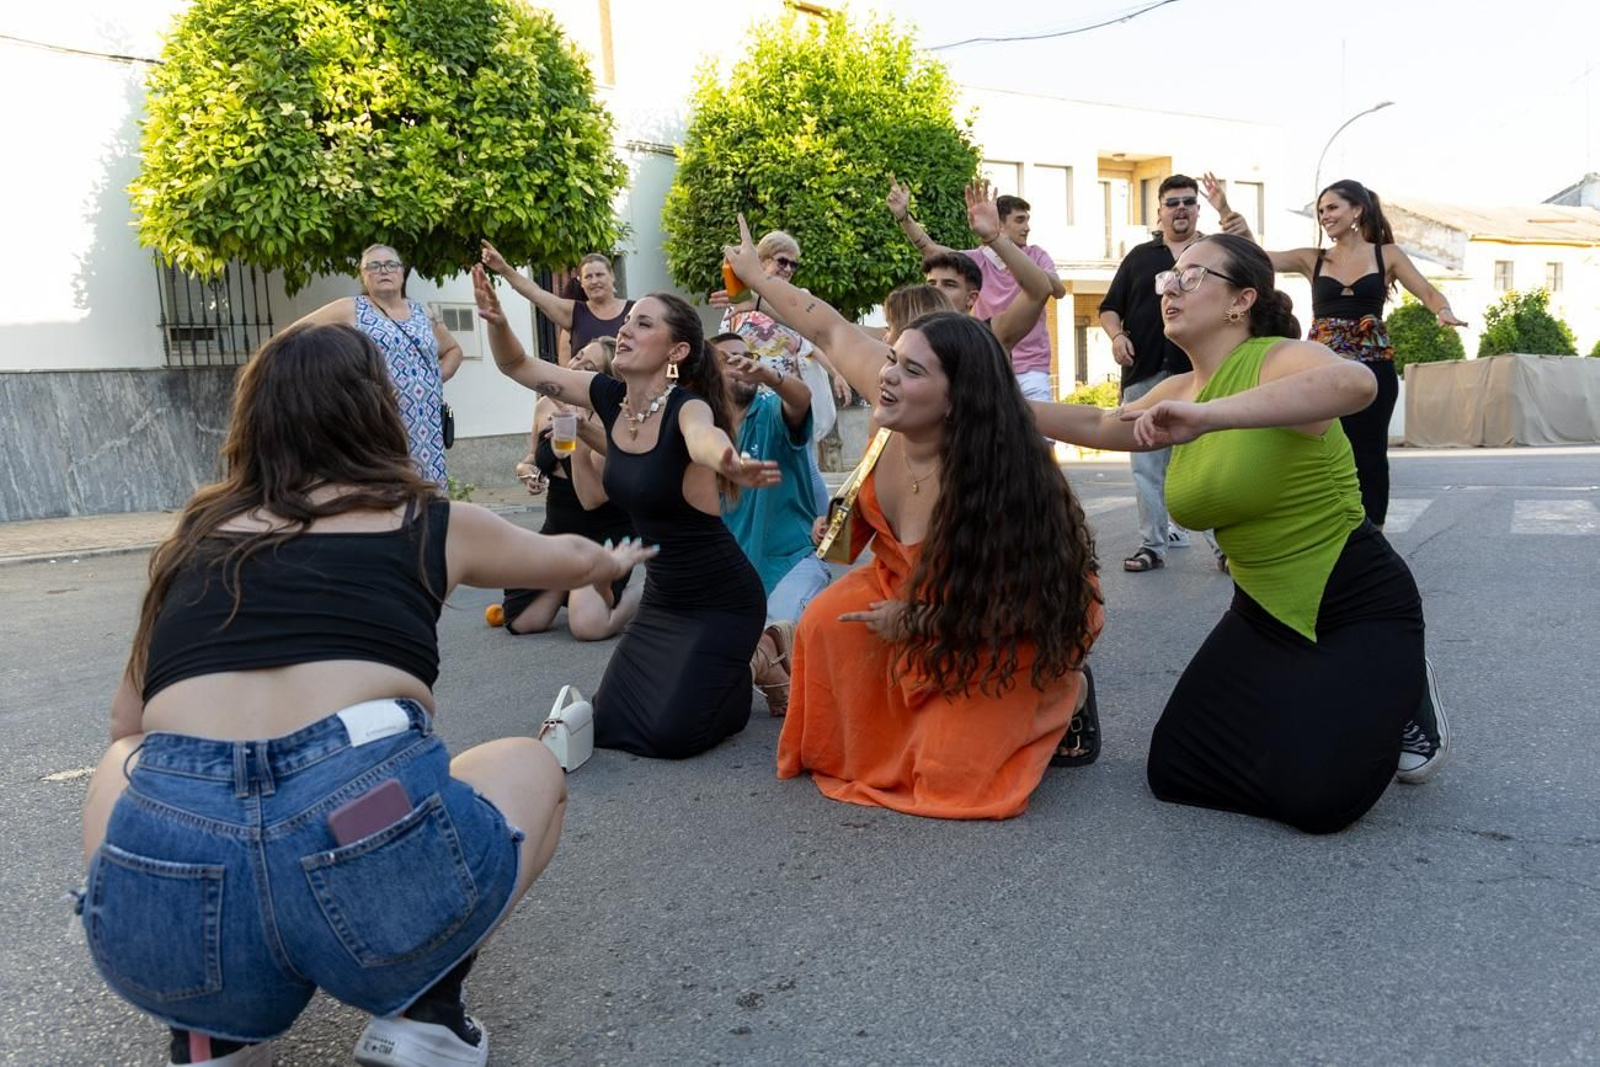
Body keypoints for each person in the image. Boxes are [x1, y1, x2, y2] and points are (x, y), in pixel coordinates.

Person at [77, 323, 653, 1067]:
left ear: (254, 421)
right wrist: (613, 555)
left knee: (127, 758)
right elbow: (567, 557)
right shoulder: (426, 522)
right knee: (528, 764)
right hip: (361, 819)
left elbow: (127, 722)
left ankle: (205, 1029)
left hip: (183, 860)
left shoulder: (196, 537)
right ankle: (425, 1014)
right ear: (375, 409)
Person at [1032, 233, 1449, 834]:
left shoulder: (1279, 358)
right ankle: (1331, 700)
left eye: (1193, 276)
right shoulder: (1177, 390)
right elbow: (1097, 422)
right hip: (1262, 610)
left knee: (1320, 804)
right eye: (1168, 277)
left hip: (1357, 599)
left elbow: (1358, 385)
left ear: (1241, 300)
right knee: (1174, 768)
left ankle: (1405, 691)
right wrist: (983, 397)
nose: (1171, 287)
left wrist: (1208, 418)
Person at [721, 213, 1104, 820]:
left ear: (958, 398)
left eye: (912, 370)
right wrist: (753, 275)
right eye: (892, 361)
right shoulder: (887, 406)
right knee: (824, 622)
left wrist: (923, 616)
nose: (889, 378)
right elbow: (824, 323)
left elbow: (1022, 593)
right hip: (905, 593)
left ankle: (1068, 691)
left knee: (952, 778)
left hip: (990, 617)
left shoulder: (997, 468)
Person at [474, 257, 780, 759]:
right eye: (626, 321)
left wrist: (728, 459)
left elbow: (702, 438)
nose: (625, 329)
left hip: (720, 599)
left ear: (676, 350)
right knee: (611, 721)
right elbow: (519, 367)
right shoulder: (608, 397)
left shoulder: (688, 406)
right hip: (662, 598)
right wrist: (500, 324)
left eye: (643, 323)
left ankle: (739, 685)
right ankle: (723, 680)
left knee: (669, 737)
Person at [1208, 176, 1465, 528]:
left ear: (1357, 209)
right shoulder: (1311, 258)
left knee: (1370, 451)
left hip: (1374, 366)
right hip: (1323, 369)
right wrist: (1225, 210)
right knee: (1321, 445)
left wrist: (1443, 310)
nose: (1324, 216)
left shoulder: (1386, 255)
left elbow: (1427, 291)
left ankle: (1371, 527)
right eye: (1320, 211)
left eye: (1332, 208)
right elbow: (1259, 259)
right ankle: (1327, 521)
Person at [1099, 175, 1231, 572]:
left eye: (1188, 202)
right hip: (1144, 372)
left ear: (1197, 209)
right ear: (1159, 211)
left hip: (1201, 374)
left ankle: (1224, 549)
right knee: (1146, 466)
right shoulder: (1139, 257)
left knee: (1207, 463)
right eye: (1171, 202)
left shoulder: (1214, 253)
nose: (1180, 208)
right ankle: (1152, 545)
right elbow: (1109, 307)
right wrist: (1116, 335)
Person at [709, 332, 828, 715]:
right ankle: (775, 675)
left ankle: (760, 664)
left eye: (748, 356)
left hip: (790, 561)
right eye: (728, 359)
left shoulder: (771, 411)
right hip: (731, 576)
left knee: (773, 628)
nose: (742, 363)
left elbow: (801, 400)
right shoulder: (700, 426)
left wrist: (770, 376)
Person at [498, 338, 642, 639]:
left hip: (603, 537)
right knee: (523, 622)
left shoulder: (613, 420)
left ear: (604, 380)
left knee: (588, 627)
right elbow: (531, 457)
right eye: (577, 357)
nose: (575, 367)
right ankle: (567, 578)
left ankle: (640, 596)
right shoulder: (545, 406)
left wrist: (576, 441)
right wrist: (527, 470)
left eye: (589, 367)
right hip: (559, 532)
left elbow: (591, 499)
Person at [295, 244, 463, 485]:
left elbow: (453, 350)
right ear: (363, 275)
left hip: (427, 427)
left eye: (391, 265)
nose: (383, 270)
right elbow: (294, 337)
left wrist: (433, 379)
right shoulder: (350, 308)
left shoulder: (421, 312)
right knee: (387, 490)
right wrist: (348, 388)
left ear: (402, 272)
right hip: (378, 419)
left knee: (429, 498)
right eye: (373, 266)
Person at [888, 180, 1067, 400]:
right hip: (988, 360)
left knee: (1039, 433)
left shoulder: (1036, 255)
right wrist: (903, 216)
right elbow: (930, 250)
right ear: (999, 223)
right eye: (1019, 220)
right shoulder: (974, 260)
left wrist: (1020, 264)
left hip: (1031, 369)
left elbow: (1055, 290)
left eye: (1027, 220)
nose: (1027, 227)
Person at [478, 245, 634, 368]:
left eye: (599, 275)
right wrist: (503, 268)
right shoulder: (573, 312)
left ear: (612, 276)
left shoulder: (634, 311)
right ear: (581, 283)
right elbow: (535, 293)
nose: (594, 281)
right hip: (587, 399)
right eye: (588, 277)